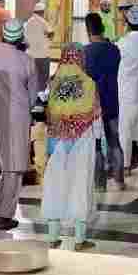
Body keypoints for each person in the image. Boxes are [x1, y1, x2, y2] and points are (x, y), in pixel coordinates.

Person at [42, 42, 102, 250]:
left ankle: (52, 237)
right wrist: (98, 139)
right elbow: (96, 117)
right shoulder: (89, 84)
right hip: (83, 140)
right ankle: (79, 239)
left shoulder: (54, 83)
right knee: (80, 184)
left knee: (55, 185)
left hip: (57, 141)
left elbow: (49, 114)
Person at [0, 18, 36, 230]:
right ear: (21, 37)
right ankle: (3, 216)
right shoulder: (26, 61)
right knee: (12, 167)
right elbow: (32, 97)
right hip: (15, 119)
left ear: (2, 34)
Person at [83, 12, 124, 188]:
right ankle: (119, 179)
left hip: (94, 105)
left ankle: (100, 184)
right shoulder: (114, 50)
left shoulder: (85, 52)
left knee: (97, 144)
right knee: (115, 142)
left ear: (87, 30)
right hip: (113, 101)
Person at [116, 5, 138, 175]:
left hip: (126, 94)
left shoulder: (122, 44)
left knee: (125, 132)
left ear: (128, 23)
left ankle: (126, 166)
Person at [25, 2, 54, 96]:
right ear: (42, 12)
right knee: (43, 77)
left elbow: (24, 38)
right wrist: (47, 36)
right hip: (43, 55)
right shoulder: (43, 21)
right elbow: (51, 33)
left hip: (30, 55)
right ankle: (42, 96)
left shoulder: (28, 22)